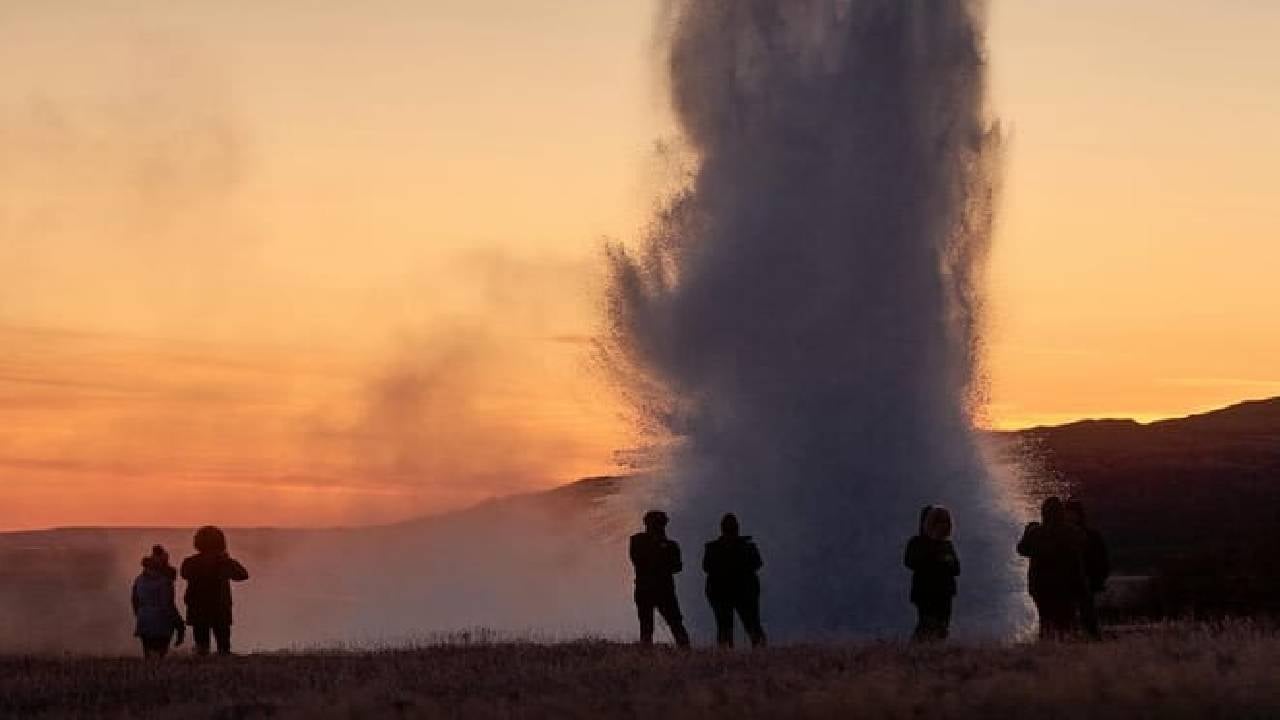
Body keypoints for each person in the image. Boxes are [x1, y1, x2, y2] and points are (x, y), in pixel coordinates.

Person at [1017, 497, 1087, 639]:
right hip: (1066, 585)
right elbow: (1081, 549)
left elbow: (1022, 550)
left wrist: (1028, 531)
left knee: (1046, 621)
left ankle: (1048, 649)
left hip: (1041, 586)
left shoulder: (1036, 533)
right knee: (1065, 622)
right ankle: (1065, 651)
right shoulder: (1070, 531)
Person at [180, 526, 250, 656]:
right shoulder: (223, 562)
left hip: (198, 608)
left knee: (202, 647)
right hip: (220, 608)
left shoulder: (190, 562)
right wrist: (227, 561)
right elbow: (243, 575)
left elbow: (184, 574)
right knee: (223, 646)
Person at [702, 513, 766, 648]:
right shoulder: (714, 547)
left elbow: (757, 563)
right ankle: (729, 655)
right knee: (727, 627)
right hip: (724, 592)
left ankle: (758, 651)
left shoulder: (745, 546)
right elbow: (707, 567)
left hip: (741, 591)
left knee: (750, 625)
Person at [629, 510, 690, 647]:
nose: (659, 527)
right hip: (657, 589)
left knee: (672, 624)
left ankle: (684, 651)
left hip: (656, 589)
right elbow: (639, 560)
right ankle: (684, 651)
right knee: (651, 626)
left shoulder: (667, 545)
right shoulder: (639, 541)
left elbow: (677, 566)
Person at [903, 505, 960, 642]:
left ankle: (932, 654)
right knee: (927, 625)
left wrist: (945, 561)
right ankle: (918, 651)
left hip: (945, 593)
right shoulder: (916, 543)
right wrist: (936, 558)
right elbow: (910, 562)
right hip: (925, 593)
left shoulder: (947, 545)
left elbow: (956, 569)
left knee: (942, 627)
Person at [1065, 498, 1110, 640]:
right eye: (1067, 513)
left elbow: (1102, 560)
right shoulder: (1065, 535)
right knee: (1071, 616)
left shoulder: (1091, 535)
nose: (1069, 516)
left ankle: (1091, 639)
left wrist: (1097, 579)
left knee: (1087, 615)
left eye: (1071, 513)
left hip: (1085, 581)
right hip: (1070, 582)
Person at [131, 545, 185, 658]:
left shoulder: (139, 579)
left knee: (149, 656)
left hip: (144, 620)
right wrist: (179, 624)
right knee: (160, 655)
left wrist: (140, 615)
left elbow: (134, 601)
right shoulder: (165, 582)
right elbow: (167, 605)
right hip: (162, 623)